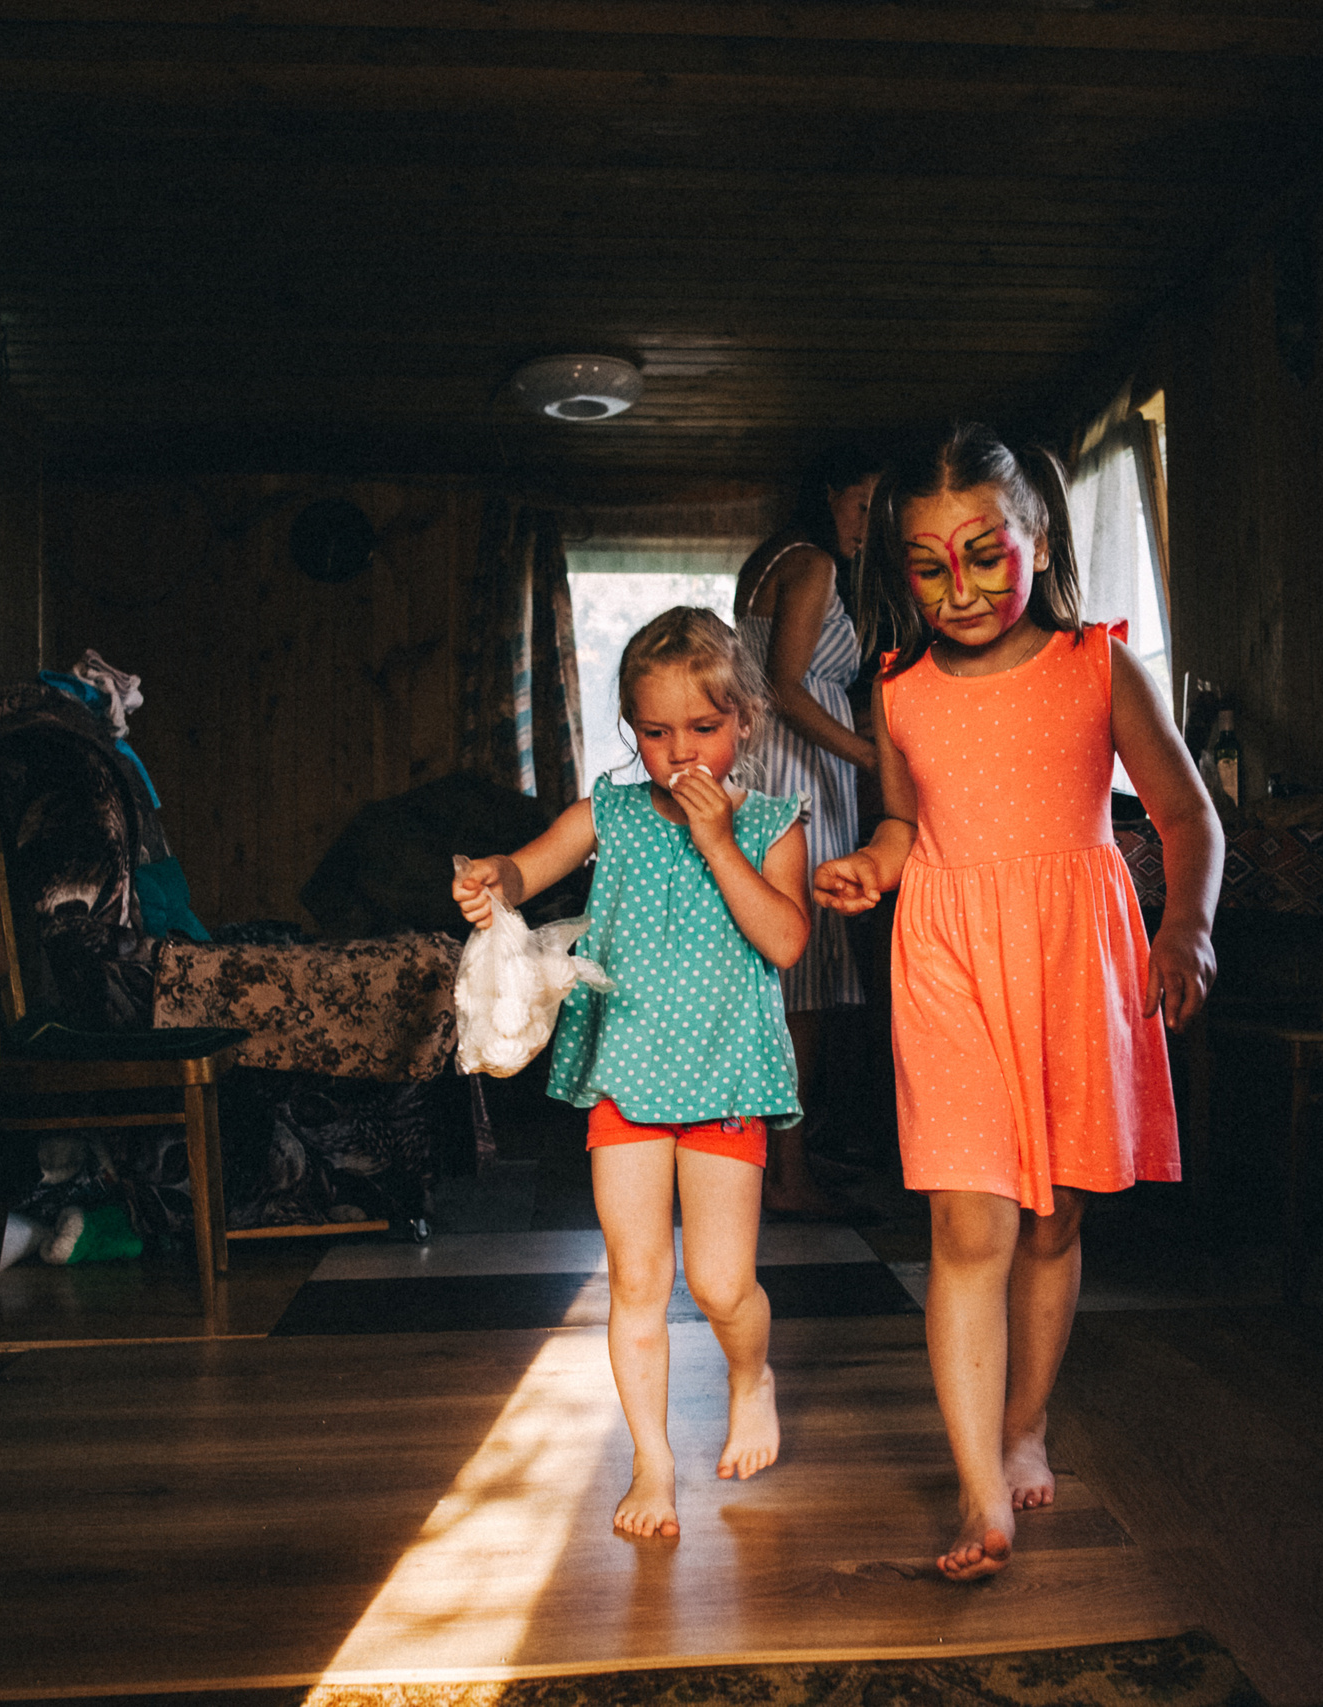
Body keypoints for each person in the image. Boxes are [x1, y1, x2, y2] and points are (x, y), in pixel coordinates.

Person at [815, 423, 1222, 1581]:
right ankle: (979, 1493)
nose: (959, 588)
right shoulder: (895, 691)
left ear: (1036, 540)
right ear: (899, 569)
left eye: (985, 555)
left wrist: (1185, 926)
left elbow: (1188, 819)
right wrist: (873, 870)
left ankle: (1025, 1420)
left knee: (1053, 1222)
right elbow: (903, 825)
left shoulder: (1099, 666)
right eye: (927, 564)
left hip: (1073, 963)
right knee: (966, 1222)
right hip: (945, 957)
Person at [453, 607, 812, 1541]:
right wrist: (492, 875)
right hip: (629, 1078)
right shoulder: (607, 813)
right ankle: (652, 1459)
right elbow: (527, 873)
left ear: (745, 724)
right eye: (655, 732)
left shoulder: (772, 822)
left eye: (704, 727)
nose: (678, 750)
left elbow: (785, 937)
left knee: (725, 1284)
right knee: (636, 1278)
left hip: (728, 1077)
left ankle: (750, 1375)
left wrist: (720, 842)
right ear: (630, 729)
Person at [732, 445, 884, 1220]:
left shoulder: (765, 559)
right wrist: (868, 753)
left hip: (766, 771)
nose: (870, 522)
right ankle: (789, 1174)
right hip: (801, 777)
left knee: (779, 979)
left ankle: (776, 1158)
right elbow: (790, 688)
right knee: (808, 982)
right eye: (862, 504)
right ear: (828, 492)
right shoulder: (814, 562)